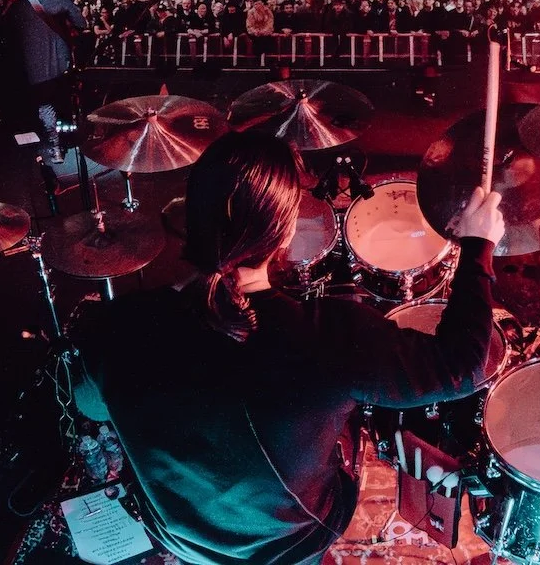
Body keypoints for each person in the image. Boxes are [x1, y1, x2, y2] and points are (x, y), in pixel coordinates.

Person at [71, 131, 503, 565]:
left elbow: (92, 407)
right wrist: (477, 246)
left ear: (189, 216)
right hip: (293, 544)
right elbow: (463, 367)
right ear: (286, 233)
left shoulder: (114, 326)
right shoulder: (331, 334)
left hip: (181, 537)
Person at [6, 0, 85, 163]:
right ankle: (74, 142)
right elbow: (81, 22)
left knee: (45, 106)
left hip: (34, 71)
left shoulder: (16, 8)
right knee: (65, 101)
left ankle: (55, 148)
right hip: (61, 64)